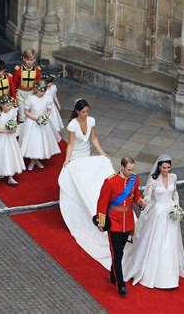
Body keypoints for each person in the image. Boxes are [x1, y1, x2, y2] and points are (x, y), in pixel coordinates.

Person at [58, 98, 113, 268]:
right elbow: (71, 144)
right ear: (77, 112)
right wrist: (67, 160)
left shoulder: (91, 121)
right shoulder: (73, 125)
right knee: (78, 181)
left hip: (87, 154)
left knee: (90, 182)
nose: (86, 114)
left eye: (87, 111)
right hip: (76, 156)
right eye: (83, 112)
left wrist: (102, 152)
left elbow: (94, 138)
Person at [122, 154, 184, 289]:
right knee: (156, 240)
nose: (166, 170)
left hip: (170, 212)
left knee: (170, 240)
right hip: (157, 213)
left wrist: (177, 206)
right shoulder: (153, 180)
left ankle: (169, 273)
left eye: (168, 167)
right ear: (159, 167)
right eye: (164, 167)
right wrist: (142, 202)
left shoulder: (173, 177)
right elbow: (148, 196)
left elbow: (175, 193)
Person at [95, 157, 146, 296]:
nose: (131, 172)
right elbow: (102, 203)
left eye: (132, 169)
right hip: (114, 223)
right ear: (122, 167)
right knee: (117, 254)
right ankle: (121, 285)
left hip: (127, 222)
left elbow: (136, 195)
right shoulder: (110, 182)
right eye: (129, 169)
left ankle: (113, 273)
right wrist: (101, 222)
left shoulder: (134, 179)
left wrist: (140, 201)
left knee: (120, 252)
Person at [20, 81, 61, 171]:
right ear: (36, 89)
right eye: (40, 91)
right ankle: (33, 160)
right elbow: (26, 111)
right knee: (33, 141)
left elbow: (49, 110)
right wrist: (36, 119)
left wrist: (44, 117)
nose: (42, 93)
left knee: (41, 141)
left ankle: (36, 159)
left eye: (43, 91)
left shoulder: (48, 98)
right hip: (32, 121)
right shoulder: (31, 98)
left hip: (43, 122)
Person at [13, 49, 42, 122]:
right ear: (23, 58)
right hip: (20, 93)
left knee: (31, 114)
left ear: (35, 60)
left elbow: (38, 84)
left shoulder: (37, 71)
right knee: (22, 116)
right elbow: (13, 84)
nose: (29, 62)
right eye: (27, 59)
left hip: (31, 93)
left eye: (31, 60)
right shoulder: (19, 70)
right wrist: (14, 97)